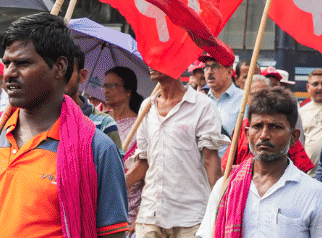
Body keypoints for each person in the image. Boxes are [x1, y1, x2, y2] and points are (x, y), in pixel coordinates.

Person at [0, 12, 130, 238]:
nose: (9, 73)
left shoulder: (96, 150)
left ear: (59, 67)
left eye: (23, 63)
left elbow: (113, 235)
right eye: (7, 63)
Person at [199, 88, 322, 238]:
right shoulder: (225, 187)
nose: (264, 135)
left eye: (275, 127)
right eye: (257, 126)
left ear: (294, 137)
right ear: (247, 134)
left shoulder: (314, 193)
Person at [127, 63, 227, 238]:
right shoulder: (147, 108)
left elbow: (211, 161)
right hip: (150, 214)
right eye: (151, 59)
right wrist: (108, 187)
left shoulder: (202, 105)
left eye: (160, 59)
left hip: (190, 217)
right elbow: (143, 163)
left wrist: (220, 207)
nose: (152, 64)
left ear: (177, 62)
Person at [104, 66, 145, 228]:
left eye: (112, 86)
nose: (106, 90)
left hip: (128, 207)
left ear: (128, 91)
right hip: (100, 202)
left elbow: (144, 169)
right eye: (105, 85)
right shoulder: (100, 121)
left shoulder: (140, 125)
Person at [63, 45, 121, 148]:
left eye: (67, 71)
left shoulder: (104, 124)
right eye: (54, 70)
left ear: (82, 76)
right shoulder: (38, 119)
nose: (60, 77)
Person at [202, 55, 244, 142]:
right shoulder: (200, 100)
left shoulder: (244, 100)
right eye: (206, 67)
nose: (209, 72)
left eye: (215, 67)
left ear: (229, 72)